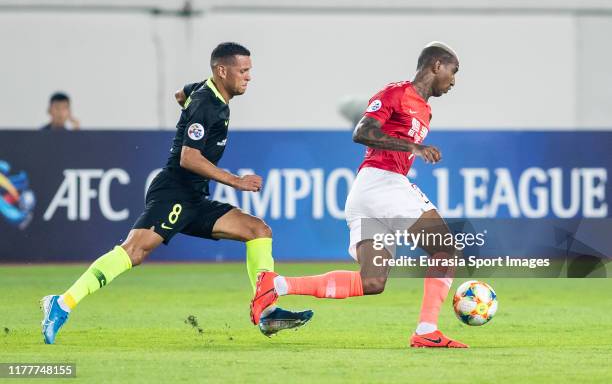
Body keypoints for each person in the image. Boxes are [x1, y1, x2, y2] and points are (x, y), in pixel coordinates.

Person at [40, 42, 312, 344]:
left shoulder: (204, 92)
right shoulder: (206, 104)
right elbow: (188, 157)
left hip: (195, 197)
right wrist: (236, 181)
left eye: (250, 70)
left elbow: (179, 95)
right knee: (134, 252)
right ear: (222, 70)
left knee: (258, 230)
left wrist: (186, 110)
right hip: (174, 193)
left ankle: (266, 311)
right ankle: (62, 303)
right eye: (243, 70)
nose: (249, 77)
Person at [251, 42, 467, 348]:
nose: (454, 80)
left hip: (369, 192)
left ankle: (277, 284)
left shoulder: (425, 110)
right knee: (446, 249)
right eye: (453, 71)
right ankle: (426, 329)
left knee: (372, 281)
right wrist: (413, 147)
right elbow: (362, 131)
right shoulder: (395, 94)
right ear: (436, 66)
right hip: (383, 183)